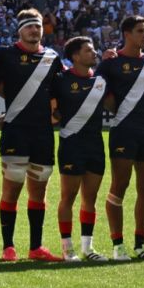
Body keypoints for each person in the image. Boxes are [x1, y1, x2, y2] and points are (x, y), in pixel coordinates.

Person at [0, 8, 63, 262]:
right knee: (11, 190)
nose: (35, 30)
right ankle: (8, 247)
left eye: (38, 26)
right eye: (30, 26)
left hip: (43, 134)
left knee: (39, 192)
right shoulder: (3, 54)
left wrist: (56, 116)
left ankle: (36, 247)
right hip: (15, 133)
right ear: (20, 30)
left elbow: (62, 89)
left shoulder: (52, 58)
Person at [96, 15, 144, 261]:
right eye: (140, 31)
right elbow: (100, 90)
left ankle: (140, 245)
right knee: (119, 187)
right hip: (123, 130)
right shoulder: (111, 63)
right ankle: (118, 246)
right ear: (126, 33)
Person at [51, 36, 109, 263]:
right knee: (68, 196)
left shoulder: (102, 80)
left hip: (95, 145)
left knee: (90, 198)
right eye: (88, 50)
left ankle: (88, 247)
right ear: (75, 56)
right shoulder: (61, 80)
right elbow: (52, 110)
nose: (94, 53)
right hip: (71, 144)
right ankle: (67, 248)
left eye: (94, 49)